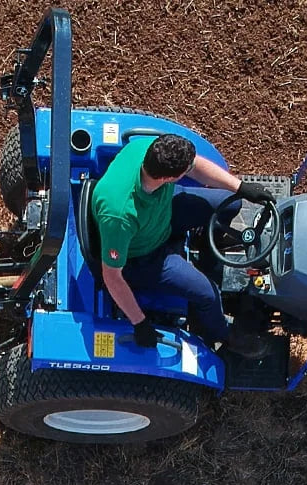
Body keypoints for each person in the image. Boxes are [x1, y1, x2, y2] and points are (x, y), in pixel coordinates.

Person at [91, 133, 275, 359]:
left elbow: (196, 166)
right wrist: (139, 322)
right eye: (185, 170)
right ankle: (223, 336)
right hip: (144, 257)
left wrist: (241, 187)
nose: (191, 168)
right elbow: (111, 276)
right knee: (208, 294)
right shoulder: (119, 214)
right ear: (171, 178)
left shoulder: (150, 150)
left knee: (232, 202)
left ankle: (209, 242)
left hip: (162, 214)